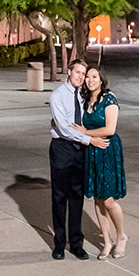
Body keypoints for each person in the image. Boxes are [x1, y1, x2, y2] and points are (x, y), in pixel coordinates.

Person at [49, 58, 109, 260]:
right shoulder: (57, 96)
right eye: (78, 72)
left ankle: (76, 244)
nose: (81, 77)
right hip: (62, 149)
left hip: (80, 151)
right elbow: (64, 128)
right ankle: (59, 244)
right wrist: (89, 140)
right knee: (59, 198)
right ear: (69, 72)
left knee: (77, 197)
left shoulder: (84, 96)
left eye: (84, 74)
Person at [72, 64, 128, 260]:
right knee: (97, 198)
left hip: (107, 150)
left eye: (94, 76)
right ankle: (107, 241)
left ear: (101, 79)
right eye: (88, 77)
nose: (90, 80)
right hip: (92, 152)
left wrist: (85, 132)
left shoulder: (109, 98)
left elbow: (110, 129)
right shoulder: (86, 99)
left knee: (108, 199)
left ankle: (121, 236)